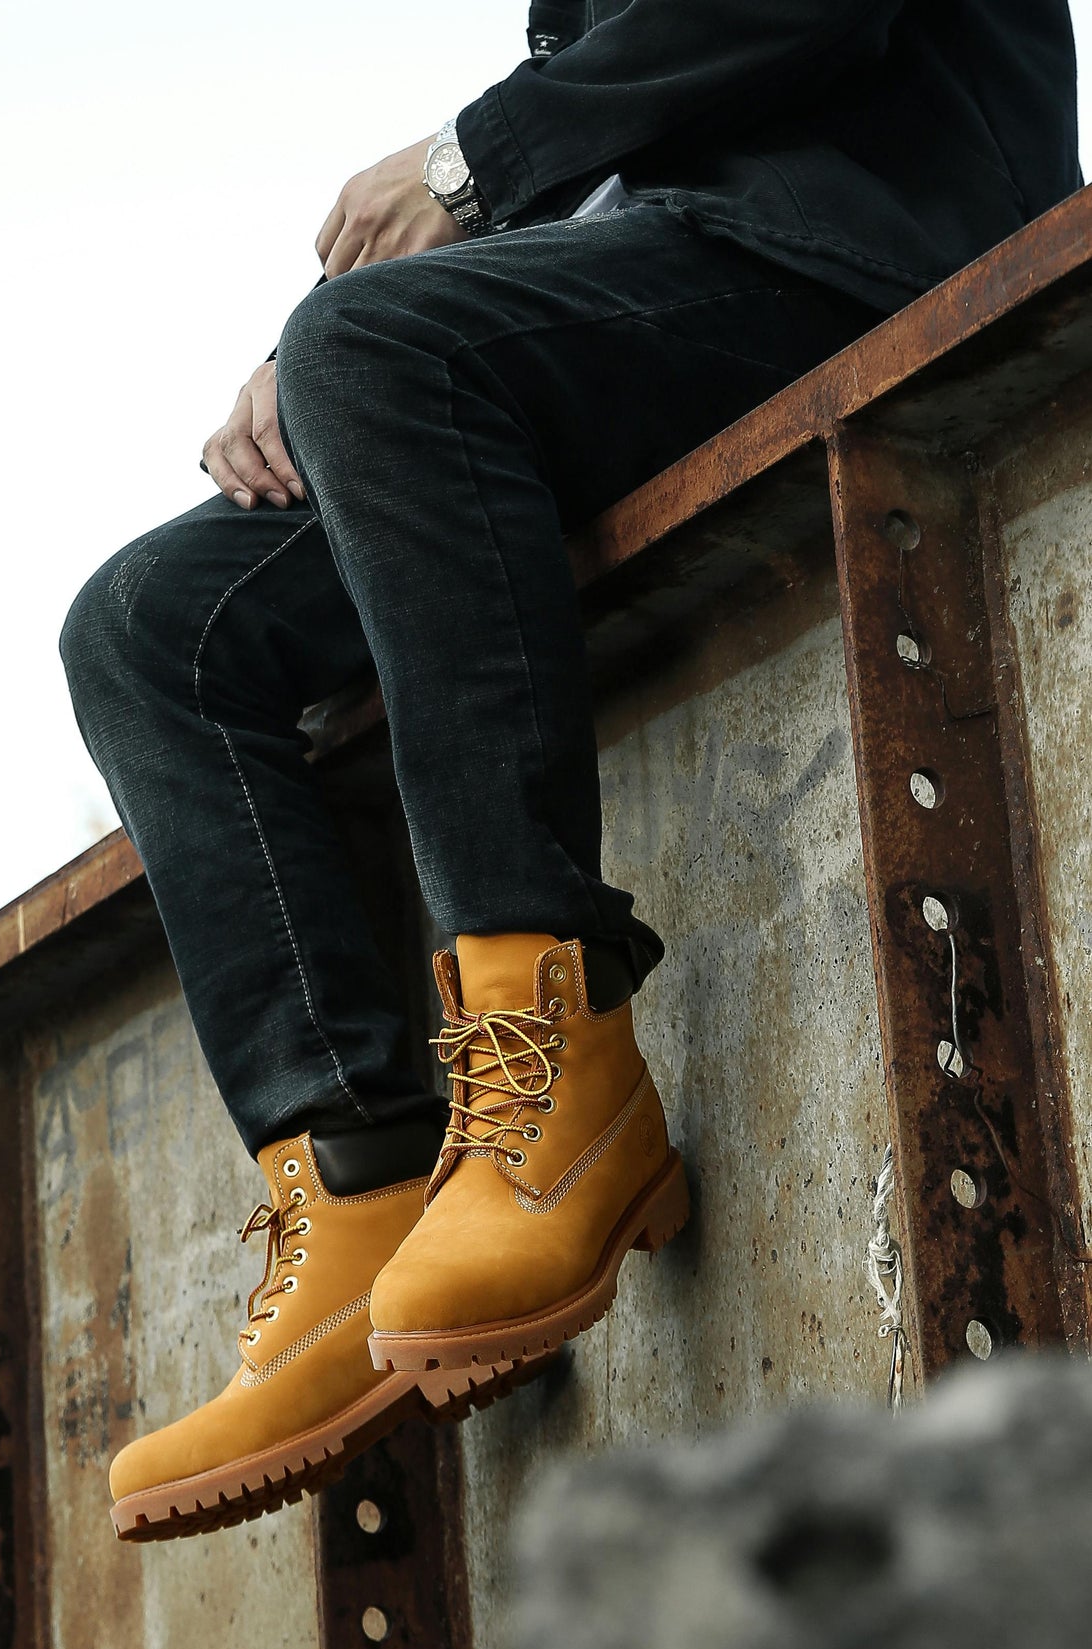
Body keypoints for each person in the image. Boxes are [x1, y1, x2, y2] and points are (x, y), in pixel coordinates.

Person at [61, 0, 1079, 1541]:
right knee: (149, 626)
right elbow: (601, 122)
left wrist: (460, 178)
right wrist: (350, 316)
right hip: (660, 271)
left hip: (864, 243)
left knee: (372, 354)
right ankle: (355, 1184)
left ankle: (563, 1076)